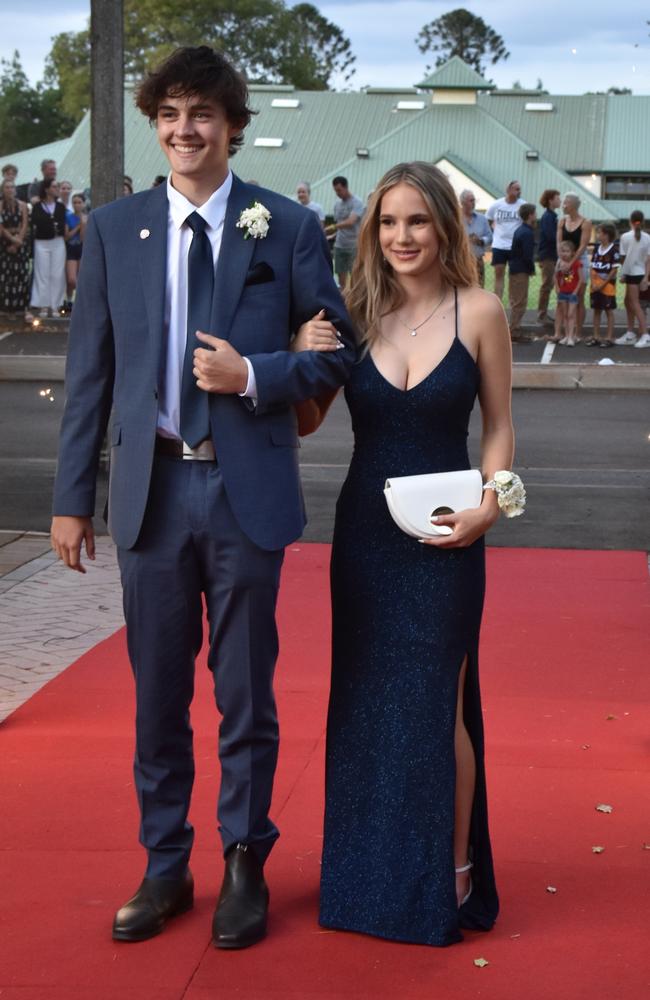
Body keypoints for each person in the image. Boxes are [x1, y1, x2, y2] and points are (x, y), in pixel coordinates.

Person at [50, 44, 355, 950]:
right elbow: (89, 375)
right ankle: (164, 863)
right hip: (148, 491)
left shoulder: (287, 226)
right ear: (156, 123)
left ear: (232, 125)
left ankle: (246, 861)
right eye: (172, 114)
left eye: (204, 115)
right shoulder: (113, 228)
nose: (187, 130)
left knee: (245, 693)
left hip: (244, 491)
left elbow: (337, 352)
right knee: (154, 696)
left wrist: (253, 372)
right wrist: (70, 498)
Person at [294, 161, 513, 946]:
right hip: (364, 539)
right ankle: (363, 872)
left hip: (452, 538)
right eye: (388, 223)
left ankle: (449, 871)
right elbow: (304, 424)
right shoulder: (352, 313)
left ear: (445, 228)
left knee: (435, 703)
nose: (401, 237)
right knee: (363, 703)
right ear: (369, 232)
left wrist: (494, 507)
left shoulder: (481, 311)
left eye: (417, 221)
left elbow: (498, 430)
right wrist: (300, 355)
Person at [30, 178, 67, 318]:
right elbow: (36, 223)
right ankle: (44, 306)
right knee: (42, 273)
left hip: (57, 242)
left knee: (57, 274)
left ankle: (55, 305)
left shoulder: (60, 206)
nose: (56, 188)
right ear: (46, 189)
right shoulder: (37, 206)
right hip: (42, 242)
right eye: (53, 186)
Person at [556, 193, 591, 341]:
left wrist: (571, 262)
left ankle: (577, 333)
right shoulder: (562, 221)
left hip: (579, 259)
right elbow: (558, 242)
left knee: (578, 297)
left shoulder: (585, 222)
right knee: (561, 297)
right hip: (563, 258)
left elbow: (583, 245)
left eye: (566, 203)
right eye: (563, 202)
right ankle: (560, 333)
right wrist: (562, 260)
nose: (563, 205)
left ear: (574, 205)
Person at [614, 211, 650, 348]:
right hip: (638, 273)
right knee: (628, 302)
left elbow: (623, 258)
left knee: (634, 304)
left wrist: (624, 273)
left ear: (630, 221)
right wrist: (646, 277)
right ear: (642, 221)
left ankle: (645, 335)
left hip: (632, 274)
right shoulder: (647, 237)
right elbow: (648, 260)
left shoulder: (625, 237)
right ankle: (630, 333)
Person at [486, 180, 524, 300]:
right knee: (499, 275)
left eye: (519, 189)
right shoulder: (497, 205)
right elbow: (488, 219)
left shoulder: (523, 205)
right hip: (499, 246)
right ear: (508, 190)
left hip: (515, 246)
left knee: (515, 277)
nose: (518, 191)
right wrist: (494, 231)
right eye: (516, 189)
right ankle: (498, 303)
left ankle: (513, 305)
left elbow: (529, 222)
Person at [584, 224, 619, 348]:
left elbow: (614, 270)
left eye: (599, 233)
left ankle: (609, 337)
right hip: (595, 286)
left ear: (606, 235)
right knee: (596, 310)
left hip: (607, 286)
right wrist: (593, 283)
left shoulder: (614, 250)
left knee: (608, 311)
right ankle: (596, 336)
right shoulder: (597, 248)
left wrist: (603, 284)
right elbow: (592, 267)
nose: (597, 235)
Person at [0, 177, 30, 315]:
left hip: (20, 243)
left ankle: (20, 306)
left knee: (21, 274)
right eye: (7, 187)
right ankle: (6, 307)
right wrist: (12, 238)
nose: (10, 190)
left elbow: (24, 224)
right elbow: (1, 227)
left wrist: (18, 240)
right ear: (3, 190)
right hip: (5, 243)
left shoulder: (22, 205)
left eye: (12, 187)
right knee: (6, 275)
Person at [328, 176, 364, 289]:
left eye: (339, 190)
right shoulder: (337, 205)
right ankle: (343, 302)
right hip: (339, 245)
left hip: (353, 245)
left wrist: (333, 226)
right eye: (335, 191)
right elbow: (341, 226)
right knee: (341, 277)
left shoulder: (357, 202)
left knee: (355, 277)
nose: (337, 193)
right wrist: (332, 235)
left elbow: (351, 222)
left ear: (346, 187)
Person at [508, 202, 537, 340]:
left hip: (514, 268)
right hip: (521, 270)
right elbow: (527, 255)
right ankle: (514, 330)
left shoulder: (519, 230)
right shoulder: (527, 233)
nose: (536, 216)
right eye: (535, 213)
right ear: (530, 215)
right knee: (520, 301)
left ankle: (515, 327)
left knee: (516, 299)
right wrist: (531, 269)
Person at [553, 241, 583, 346]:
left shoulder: (576, 263)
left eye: (567, 251)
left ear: (572, 252)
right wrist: (557, 287)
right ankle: (566, 335)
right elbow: (556, 276)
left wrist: (575, 291)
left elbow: (581, 279)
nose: (564, 253)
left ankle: (571, 336)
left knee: (571, 314)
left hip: (572, 293)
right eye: (562, 251)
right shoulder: (559, 263)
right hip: (563, 292)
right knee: (565, 314)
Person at [537, 189, 560, 327]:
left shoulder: (552, 216)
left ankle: (544, 314)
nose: (560, 200)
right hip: (548, 256)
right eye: (557, 198)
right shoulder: (548, 217)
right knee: (546, 285)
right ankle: (541, 315)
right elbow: (551, 236)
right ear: (550, 200)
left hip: (552, 255)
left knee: (550, 284)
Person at [459, 189, 492, 286]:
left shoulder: (482, 218)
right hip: (461, 260)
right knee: (464, 287)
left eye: (474, 200)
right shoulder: (456, 218)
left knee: (479, 287)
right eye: (471, 201)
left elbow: (490, 236)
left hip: (478, 260)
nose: (474, 203)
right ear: (463, 203)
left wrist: (481, 241)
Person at [63, 192, 87, 312]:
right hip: (71, 248)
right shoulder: (68, 216)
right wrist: (78, 226)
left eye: (79, 202)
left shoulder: (87, 217)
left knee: (80, 276)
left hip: (82, 248)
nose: (77, 205)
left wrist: (83, 225)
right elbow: (67, 236)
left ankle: (78, 301)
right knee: (71, 279)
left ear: (84, 204)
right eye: (74, 202)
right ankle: (69, 299)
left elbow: (83, 238)